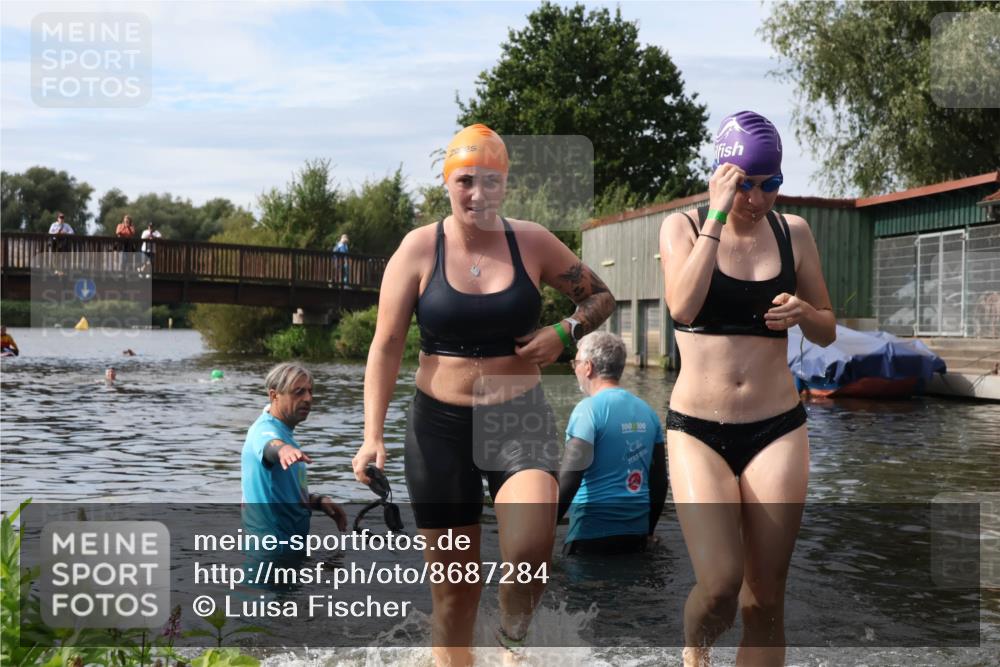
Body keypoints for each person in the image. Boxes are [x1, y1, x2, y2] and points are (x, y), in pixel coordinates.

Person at [352, 123, 615, 665]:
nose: (478, 194)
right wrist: (370, 436)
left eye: (491, 181)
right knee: (454, 595)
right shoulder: (419, 248)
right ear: (447, 182)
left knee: (528, 553)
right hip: (438, 430)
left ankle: (511, 643)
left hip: (517, 419)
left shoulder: (533, 242)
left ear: (505, 185)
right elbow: (386, 346)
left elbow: (601, 297)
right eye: (465, 180)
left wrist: (565, 332)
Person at [658, 110, 836, 667]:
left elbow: (828, 328)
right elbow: (683, 306)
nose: (757, 199)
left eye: (771, 185)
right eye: (745, 184)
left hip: (777, 427)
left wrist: (805, 310)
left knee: (763, 602)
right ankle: (694, 651)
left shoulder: (795, 233)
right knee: (719, 587)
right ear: (721, 175)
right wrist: (716, 213)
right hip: (698, 430)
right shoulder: (683, 227)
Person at [557, 331, 667, 556]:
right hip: (635, 535)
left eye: (575, 362)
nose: (574, 369)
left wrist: (543, 524)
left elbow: (571, 476)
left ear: (588, 367)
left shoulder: (588, 410)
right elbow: (658, 482)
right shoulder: (648, 412)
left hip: (590, 535)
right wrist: (648, 531)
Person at [241, 362, 348, 552]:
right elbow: (271, 446)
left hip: (289, 548)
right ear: (274, 395)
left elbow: (283, 492)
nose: (308, 398)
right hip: (270, 552)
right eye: (298, 392)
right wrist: (283, 450)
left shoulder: (284, 432)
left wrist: (318, 501)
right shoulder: (265, 430)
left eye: (310, 391)